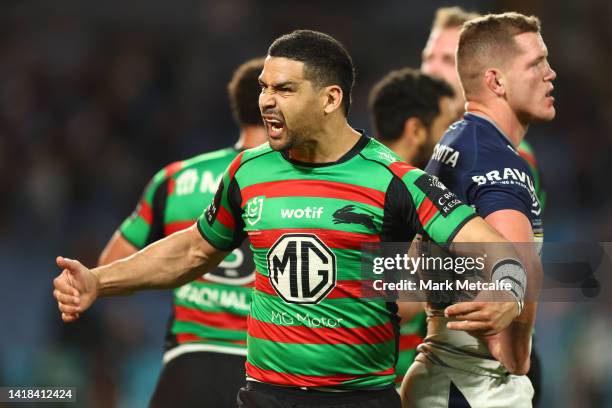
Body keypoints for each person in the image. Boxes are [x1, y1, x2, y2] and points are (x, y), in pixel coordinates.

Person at [54, 30, 528, 408]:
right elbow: (195, 248)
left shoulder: (392, 179)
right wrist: (99, 281)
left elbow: (491, 246)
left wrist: (509, 290)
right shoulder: (249, 170)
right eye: (263, 87)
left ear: (329, 98)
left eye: (283, 89)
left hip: (359, 400)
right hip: (264, 395)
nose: (266, 101)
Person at [401, 12, 554, 407]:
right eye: (535, 63)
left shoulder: (455, 140)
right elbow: (520, 266)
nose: (550, 73)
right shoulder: (497, 161)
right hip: (476, 384)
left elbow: (418, 265)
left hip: (442, 373)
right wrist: (518, 356)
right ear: (496, 80)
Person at [98, 58, 267, 407]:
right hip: (269, 368)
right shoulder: (339, 184)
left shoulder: (176, 178)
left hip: (187, 367)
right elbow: (402, 305)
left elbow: (110, 265)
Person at [368, 67, 456, 386]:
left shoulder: (363, 176)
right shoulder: (391, 191)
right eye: (448, 126)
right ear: (416, 129)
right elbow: (398, 300)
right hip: (375, 383)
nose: (454, 141)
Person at [421, 6, 546, 209]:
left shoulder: (512, 154)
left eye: (447, 60)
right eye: (428, 58)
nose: (430, 71)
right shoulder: (412, 143)